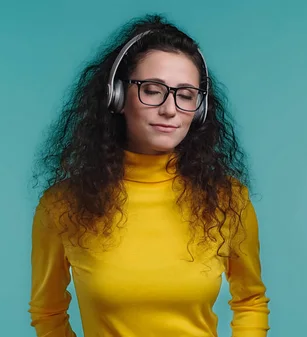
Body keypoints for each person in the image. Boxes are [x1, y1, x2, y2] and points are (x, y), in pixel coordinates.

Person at [28, 14, 270, 337]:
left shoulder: (229, 199)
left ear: (199, 110)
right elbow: (48, 312)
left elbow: (251, 300)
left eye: (185, 95)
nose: (170, 109)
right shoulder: (62, 205)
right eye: (153, 90)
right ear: (117, 96)